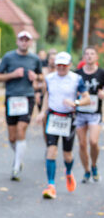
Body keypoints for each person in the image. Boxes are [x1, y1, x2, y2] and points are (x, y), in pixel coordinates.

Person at [36, 52, 90, 199]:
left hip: (68, 119)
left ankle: (68, 172)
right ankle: (51, 185)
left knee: (67, 155)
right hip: (53, 117)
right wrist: (42, 112)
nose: (61, 68)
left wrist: (75, 103)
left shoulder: (76, 79)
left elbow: (87, 99)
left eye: (64, 65)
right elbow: (48, 95)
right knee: (51, 151)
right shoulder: (50, 78)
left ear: (69, 65)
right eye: (58, 65)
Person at [0, 30, 42, 181]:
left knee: (22, 129)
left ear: (30, 42)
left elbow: (41, 76)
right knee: (12, 137)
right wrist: (13, 75)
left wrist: (36, 77)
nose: (24, 42)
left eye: (27, 40)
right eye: (22, 39)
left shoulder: (35, 59)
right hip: (12, 98)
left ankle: (16, 167)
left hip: (27, 98)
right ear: (17, 41)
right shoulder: (8, 57)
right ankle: (18, 157)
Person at [74, 46, 104, 183]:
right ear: (84, 57)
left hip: (94, 113)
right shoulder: (77, 74)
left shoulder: (102, 73)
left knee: (93, 141)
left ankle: (94, 165)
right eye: (87, 54)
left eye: (92, 54)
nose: (89, 56)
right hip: (80, 113)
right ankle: (86, 171)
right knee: (81, 144)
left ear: (96, 57)